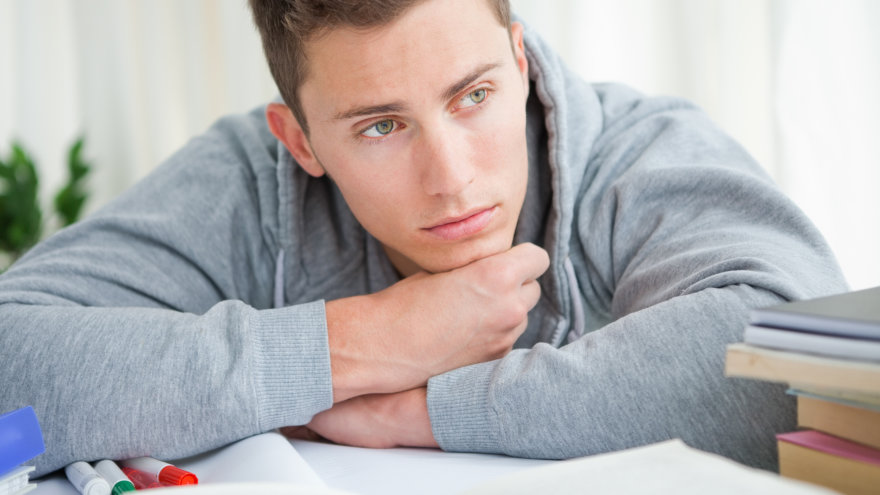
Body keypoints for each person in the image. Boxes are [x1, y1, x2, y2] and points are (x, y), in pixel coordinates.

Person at [0, 0, 847, 477]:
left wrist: (424, 412)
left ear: (519, 63)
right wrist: (366, 342)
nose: (452, 177)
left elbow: (799, 378)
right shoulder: (251, 187)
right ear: (299, 141)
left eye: (473, 95)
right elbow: (11, 393)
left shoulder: (639, 154)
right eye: (379, 126)